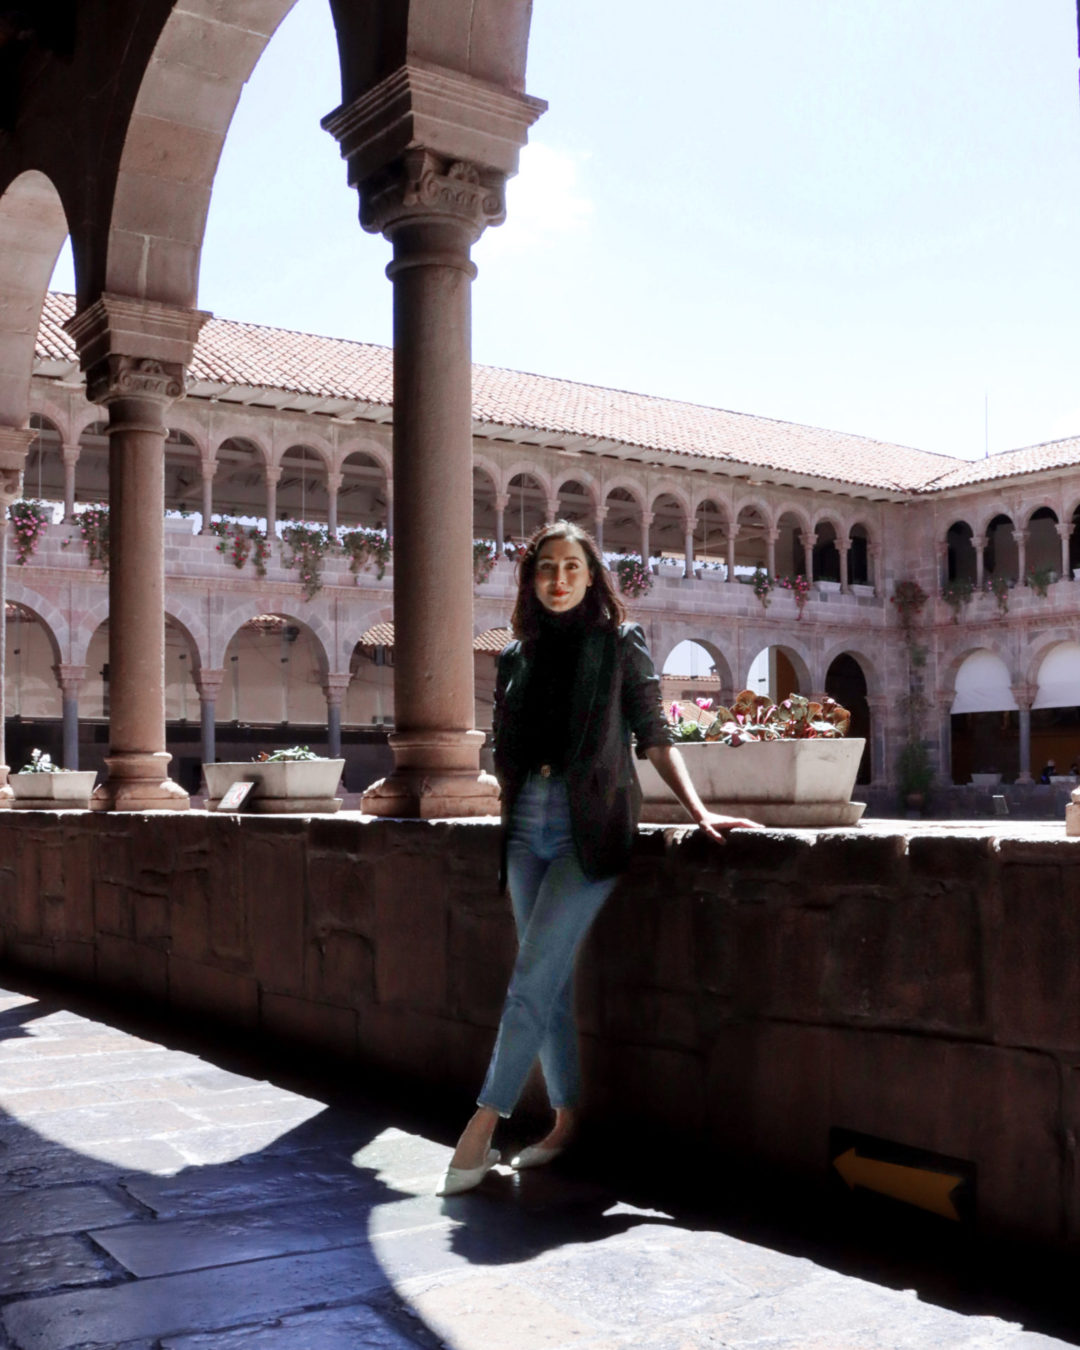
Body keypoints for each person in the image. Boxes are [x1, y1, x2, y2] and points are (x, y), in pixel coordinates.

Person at [436, 520, 759, 1196]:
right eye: (546, 568)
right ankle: (564, 1121)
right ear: (532, 579)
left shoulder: (620, 643)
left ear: (591, 579)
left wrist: (697, 810)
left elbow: (654, 733)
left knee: (531, 972)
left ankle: (481, 1123)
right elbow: (505, 745)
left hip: (592, 831)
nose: (558, 580)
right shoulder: (515, 658)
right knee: (545, 977)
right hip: (526, 827)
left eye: (571, 569)